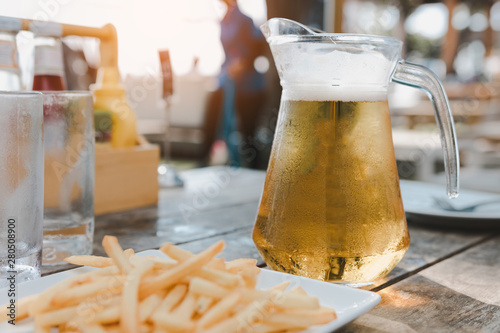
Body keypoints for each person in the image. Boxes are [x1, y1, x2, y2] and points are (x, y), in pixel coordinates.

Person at [206, 0, 268, 168]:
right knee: (212, 124)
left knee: (248, 135)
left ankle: (255, 173)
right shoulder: (224, 19)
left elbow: (256, 47)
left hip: (250, 87)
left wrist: (242, 61)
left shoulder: (245, 20)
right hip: (226, 80)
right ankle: (208, 162)